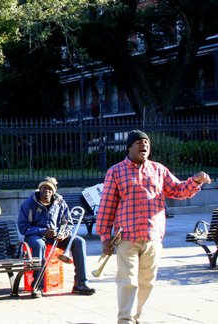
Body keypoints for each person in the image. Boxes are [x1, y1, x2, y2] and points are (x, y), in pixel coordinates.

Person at [95, 130, 211, 324]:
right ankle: (125, 319)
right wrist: (105, 236)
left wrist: (195, 181)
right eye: (139, 143)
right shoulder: (115, 171)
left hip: (152, 237)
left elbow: (178, 190)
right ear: (129, 147)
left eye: (147, 143)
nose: (144, 146)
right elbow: (107, 206)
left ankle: (137, 315)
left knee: (147, 281)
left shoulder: (159, 170)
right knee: (127, 281)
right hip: (126, 238)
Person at [18, 176, 95, 298]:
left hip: (56, 235)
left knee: (79, 241)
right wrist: (44, 231)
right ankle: (38, 286)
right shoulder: (28, 204)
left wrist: (64, 233)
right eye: (44, 188)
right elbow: (23, 228)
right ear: (39, 189)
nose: (46, 191)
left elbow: (68, 223)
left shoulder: (60, 203)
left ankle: (80, 284)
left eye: (50, 189)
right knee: (39, 245)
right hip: (35, 236)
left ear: (54, 190)